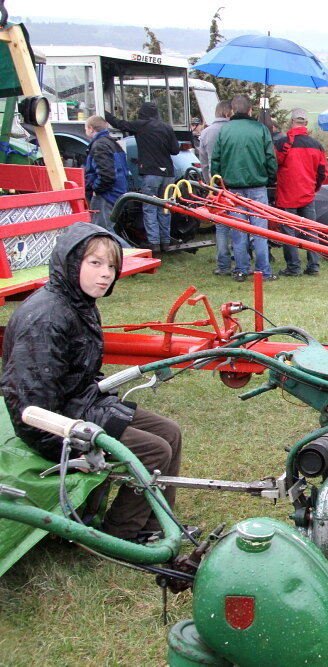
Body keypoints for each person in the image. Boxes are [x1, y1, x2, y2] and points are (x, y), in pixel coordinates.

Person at [1, 224, 186, 543]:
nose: (106, 274)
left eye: (112, 265)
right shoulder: (46, 319)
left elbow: (80, 375)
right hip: (52, 425)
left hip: (82, 403)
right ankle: (120, 536)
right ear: (71, 263)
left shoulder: (78, 303)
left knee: (170, 432)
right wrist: (74, 443)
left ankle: (157, 523)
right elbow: (31, 406)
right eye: (95, 263)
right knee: (154, 450)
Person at [211, 95, 279, 282]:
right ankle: (263, 270)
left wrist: (218, 182)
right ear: (250, 110)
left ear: (232, 111)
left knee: (238, 231)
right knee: (260, 231)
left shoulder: (225, 130)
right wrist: (271, 177)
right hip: (257, 186)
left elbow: (216, 159)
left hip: (232, 188)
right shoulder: (261, 129)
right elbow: (270, 158)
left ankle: (241, 269)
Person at [105, 102, 179, 253]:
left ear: (142, 113)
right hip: (168, 174)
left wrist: (104, 114)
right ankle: (165, 241)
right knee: (165, 208)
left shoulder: (141, 125)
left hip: (150, 173)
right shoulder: (166, 127)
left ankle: (154, 244)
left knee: (150, 208)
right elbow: (175, 150)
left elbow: (120, 124)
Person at [274, 107, 326, 277]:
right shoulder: (317, 146)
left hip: (286, 194)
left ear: (291, 121)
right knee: (310, 230)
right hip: (307, 193)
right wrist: (314, 188)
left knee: (288, 233)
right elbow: (322, 173)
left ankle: (293, 267)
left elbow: (273, 166)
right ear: (306, 123)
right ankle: (313, 265)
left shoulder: (282, 144)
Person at [197, 99, 235, 276]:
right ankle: (242, 258)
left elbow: (204, 163)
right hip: (236, 182)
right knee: (241, 222)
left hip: (216, 184)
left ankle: (223, 263)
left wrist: (208, 184)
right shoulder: (234, 130)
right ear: (229, 113)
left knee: (221, 225)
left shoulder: (206, 132)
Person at [83, 116, 128, 233]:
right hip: (117, 192)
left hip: (106, 195)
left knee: (103, 232)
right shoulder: (113, 143)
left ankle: (129, 251)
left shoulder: (99, 146)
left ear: (91, 129)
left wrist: (96, 190)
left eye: (86, 128)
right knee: (107, 229)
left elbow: (106, 175)